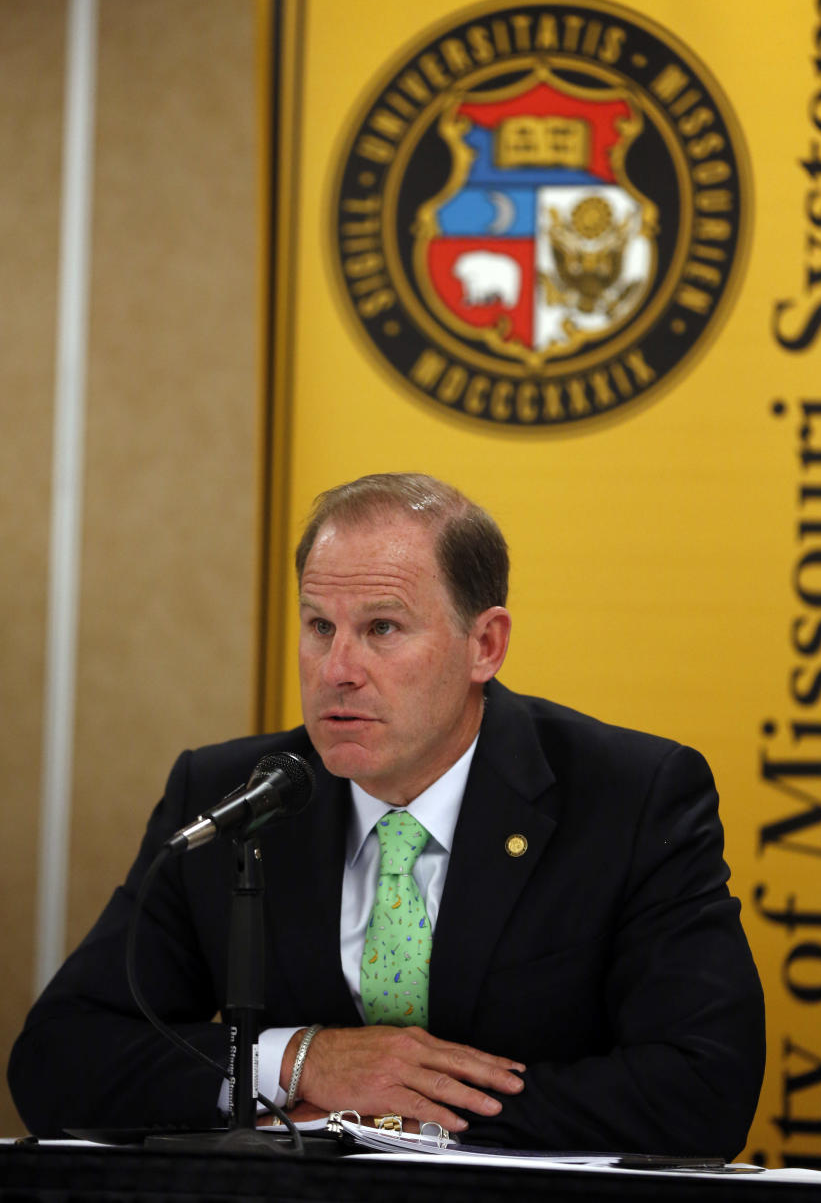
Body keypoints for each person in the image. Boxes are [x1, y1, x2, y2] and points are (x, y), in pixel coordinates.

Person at [8, 472, 765, 1153]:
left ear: (486, 644)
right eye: (318, 627)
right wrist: (302, 1060)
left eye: (382, 628)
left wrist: (377, 1124)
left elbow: (703, 1087)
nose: (338, 670)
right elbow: (58, 1058)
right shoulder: (231, 797)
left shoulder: (629, 796)